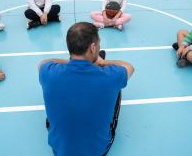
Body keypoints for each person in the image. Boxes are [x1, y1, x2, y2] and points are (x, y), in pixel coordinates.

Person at [39, 22, 134, 156]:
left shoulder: (47, 72)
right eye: (98, 44)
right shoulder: (111, 76)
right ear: (93, 47)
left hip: (60, 150)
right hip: (98, 151)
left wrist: (71, 61)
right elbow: (129, 67)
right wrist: (101, 62)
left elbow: (43, 63)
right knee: (117, 87)